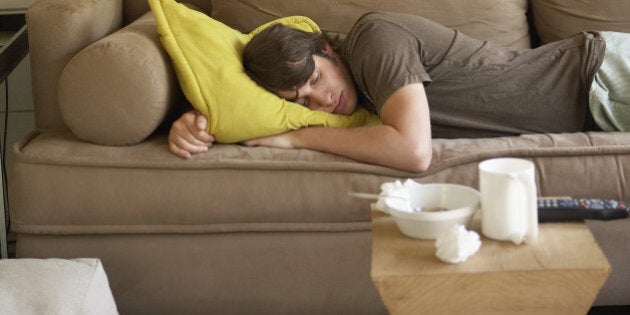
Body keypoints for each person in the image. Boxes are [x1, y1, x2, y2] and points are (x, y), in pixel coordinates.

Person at [168, 12, 629, 172]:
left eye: (315, 80)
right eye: (302, 102)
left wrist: (299, 137)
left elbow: (413, 151)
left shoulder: (374, 39)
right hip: (593, 106)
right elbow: (244, 108)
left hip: (599, 75)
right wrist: (196, 120)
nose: (320, 102)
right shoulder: (358, 106)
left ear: (328, 48)